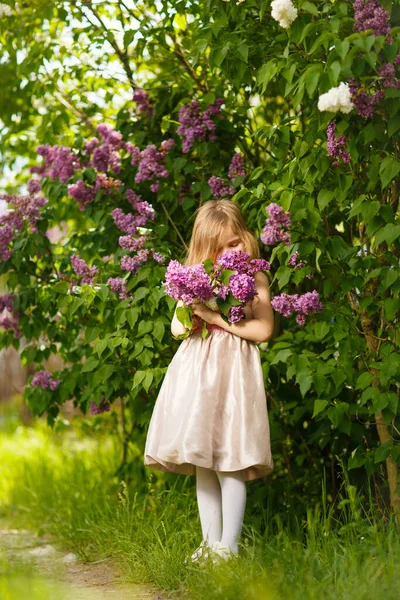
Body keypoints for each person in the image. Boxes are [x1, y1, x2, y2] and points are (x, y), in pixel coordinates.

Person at [144, 198, 274, 564]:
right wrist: (192, 311)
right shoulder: (197, 277)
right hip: (198, 374)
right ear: (205, 250)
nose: (230, 253)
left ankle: (228, 547)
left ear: (246, 238)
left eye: (235, 243)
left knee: (230, 457)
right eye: (220, 248)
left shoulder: (255, 278)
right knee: (204, 459)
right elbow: (175, 326)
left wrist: (216, 318)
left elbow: (263, 329)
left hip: (233, 372)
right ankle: (208, 542)